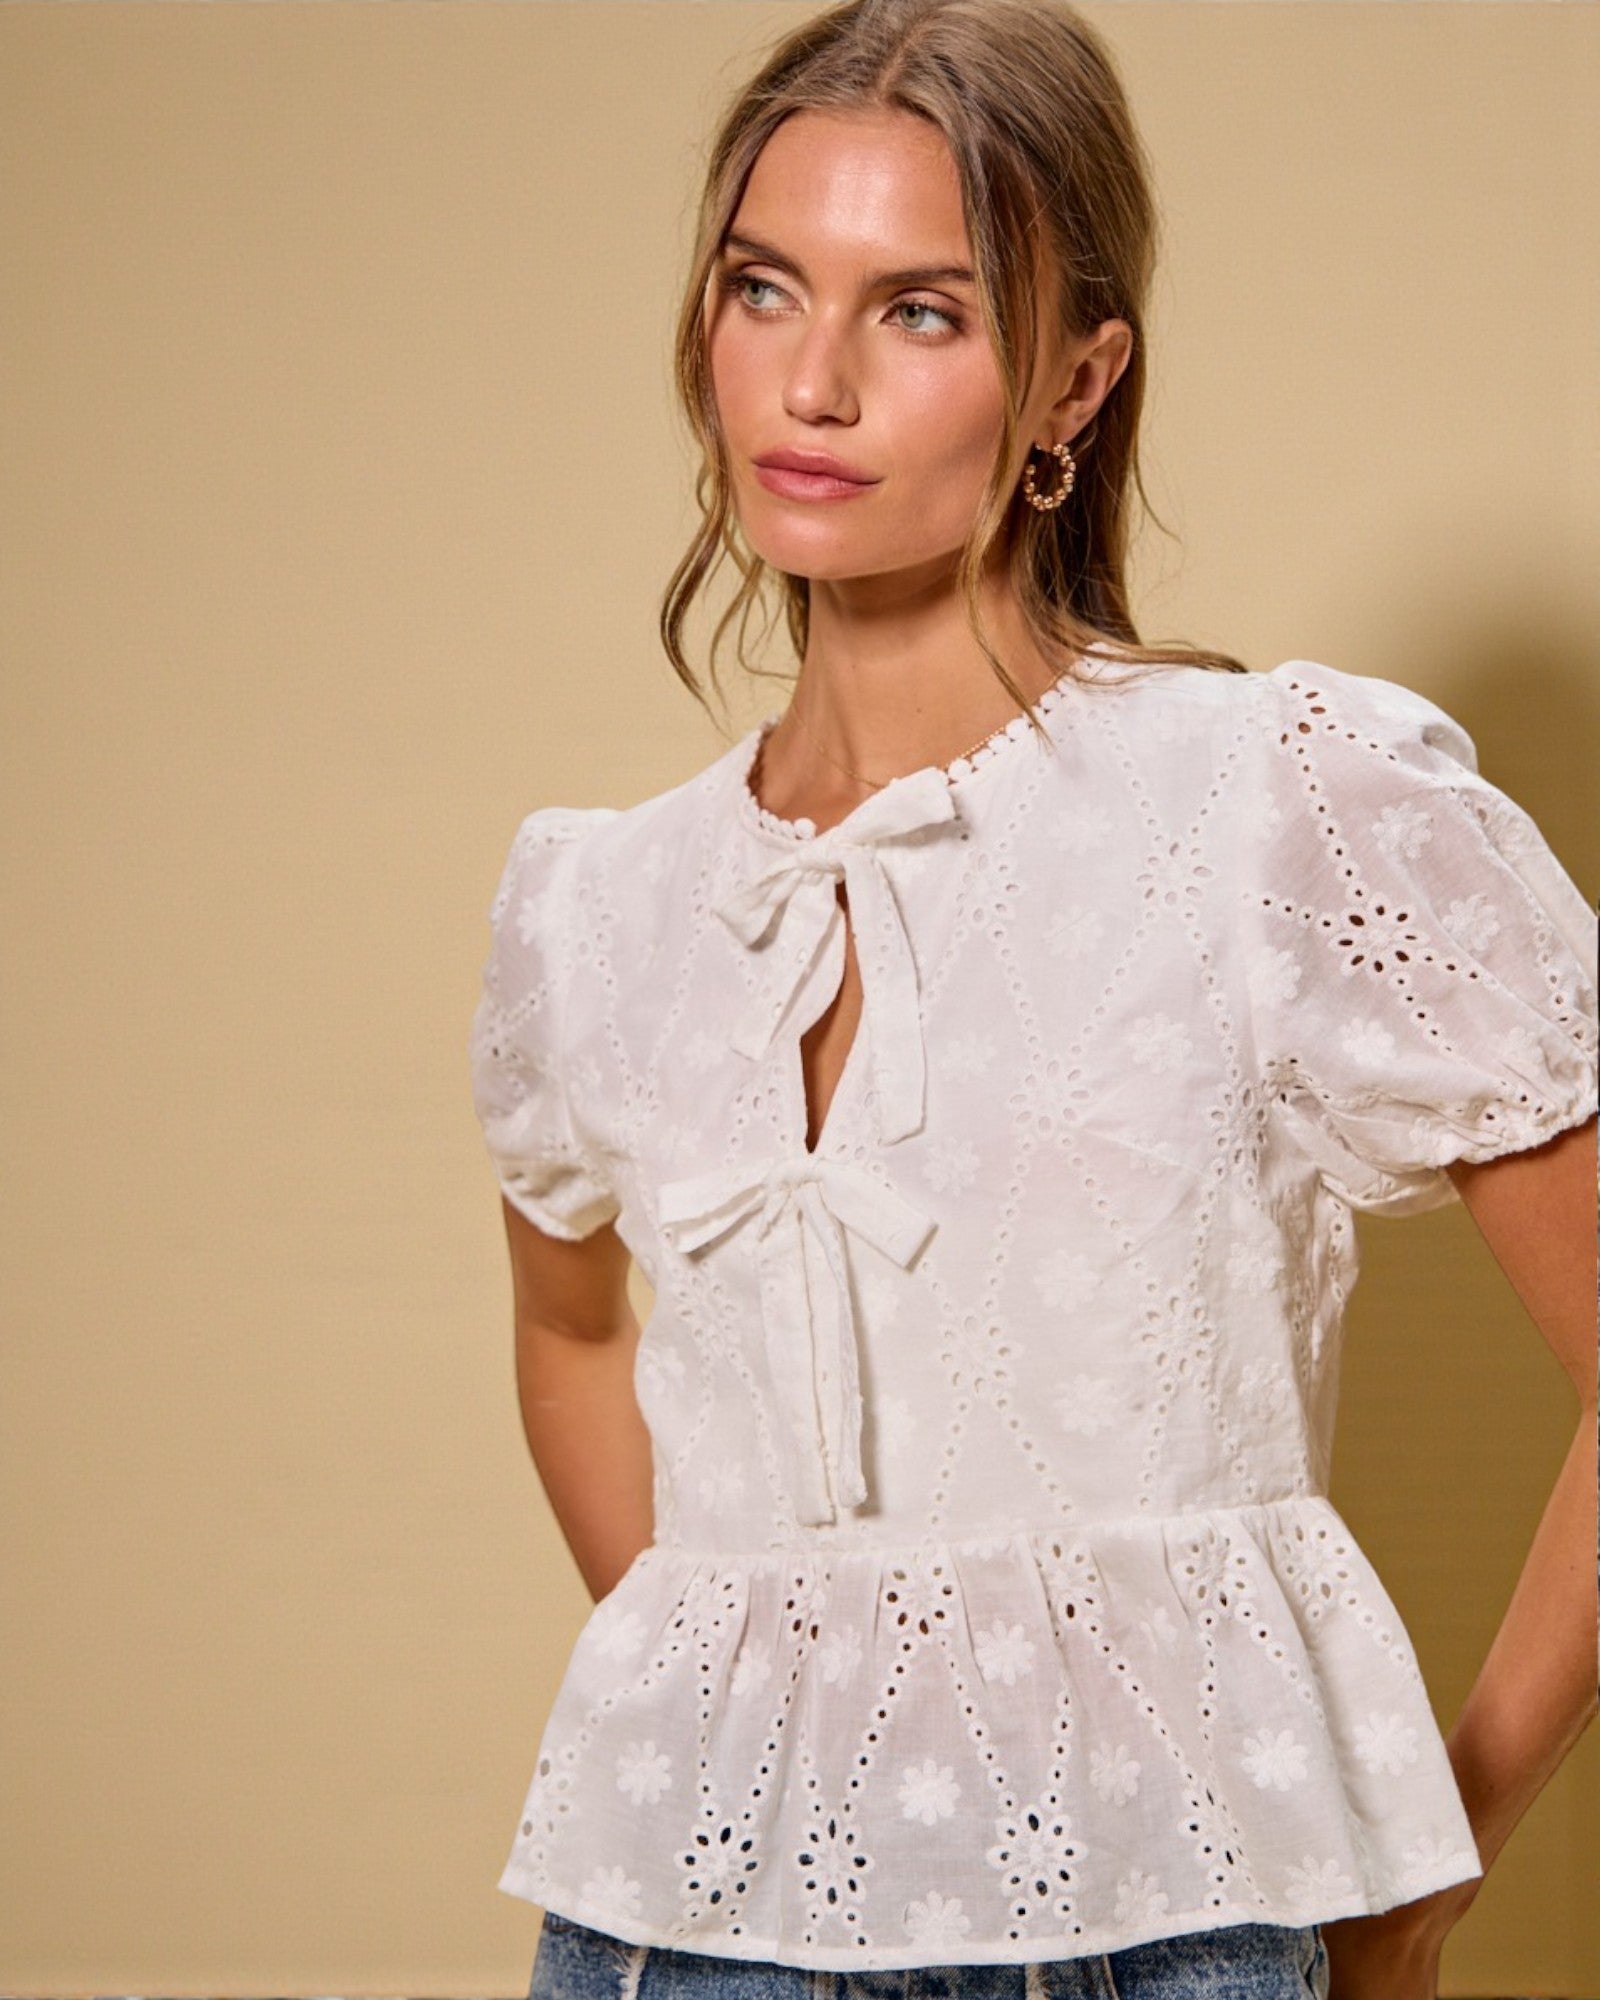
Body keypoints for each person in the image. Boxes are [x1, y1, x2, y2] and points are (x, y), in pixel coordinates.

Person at [467, 2, 1599, 1996]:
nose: (807, 382)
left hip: (1168, 1931)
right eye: (761, 286)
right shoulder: (602, 899)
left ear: (1072, 381)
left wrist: (1441, 1829)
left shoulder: (1269, 801)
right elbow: (568, 1332)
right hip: (669, 1936)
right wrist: (734, 1673)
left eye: (919, 312)